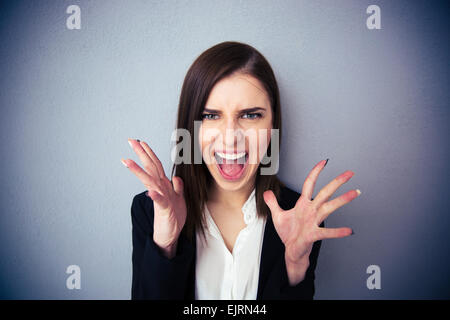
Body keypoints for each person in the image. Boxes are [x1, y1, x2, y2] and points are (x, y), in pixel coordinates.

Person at [121, 41, 361, 300]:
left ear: (273, 125)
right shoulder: (151, 211)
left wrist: (294, 266)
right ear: (191, 128)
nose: (230, 138)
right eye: (211, 116)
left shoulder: (300, 216)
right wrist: (165, 247)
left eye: (250, 115)